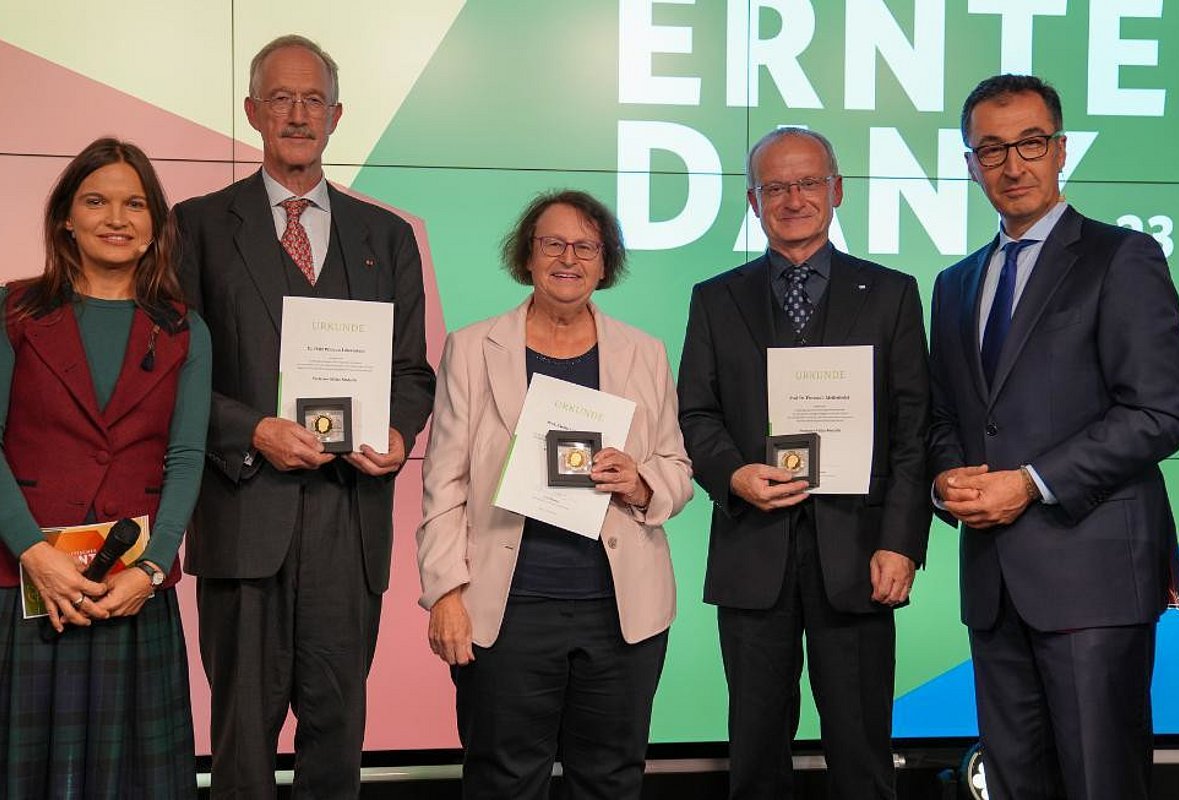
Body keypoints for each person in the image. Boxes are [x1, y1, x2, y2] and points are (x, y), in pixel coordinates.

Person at [174, 34, 435, 799]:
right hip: (243, 520)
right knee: (241, 747)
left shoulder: (387, 236)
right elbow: (177, 378)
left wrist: (397, 433)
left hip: (349, 526)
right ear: (253, 111)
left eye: (312, 99)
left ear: (336, 115)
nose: (297, 114)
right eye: (281, 99)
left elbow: (412, 373)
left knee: (336, 740)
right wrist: (252, 430)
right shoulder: (196, 226)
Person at [929, 74, 1179, 800]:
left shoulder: (1122, 257)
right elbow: (946, 417)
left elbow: (1159, 412)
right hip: (993, 587)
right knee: (1015, 785)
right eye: (991, 149)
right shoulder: (955, 284)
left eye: (1030, 143)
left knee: (1101, 782)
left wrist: (1031, 483)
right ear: (971, 164)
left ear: (1061, 149)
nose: (1012, 165)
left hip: (1094, 581)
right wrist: (946, 479)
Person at [677, 128, 932, 799]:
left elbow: (913, 430)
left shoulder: (891, 293)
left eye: (809, 183)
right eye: (776, 187)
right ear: (753, 201)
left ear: (837, 190)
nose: (793, 199)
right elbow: (695, 413)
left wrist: (902, 542)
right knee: (755, 757)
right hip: (751, 553)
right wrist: (732, 475)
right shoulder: (715, 298)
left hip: (860, 555)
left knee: (863, 754)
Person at [417, 189, 692, 799]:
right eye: (553, 244)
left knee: (610, 782)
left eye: (586, 247)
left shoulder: (644, 352)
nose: (569, 258)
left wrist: (641, 480)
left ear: (605, 261)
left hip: (620, 612)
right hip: (507, 609)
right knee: (504, 782)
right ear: (528, 256)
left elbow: (676, 466)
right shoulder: (473, 347)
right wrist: (445, 592)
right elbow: (444, 484)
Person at [0, 137, 211, 798]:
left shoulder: (183, 329)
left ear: (154, 224)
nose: (116, 218)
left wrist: (153, 569)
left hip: (132, 588)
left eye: (135, 204)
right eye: (96, 201)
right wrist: (34, 553)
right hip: (29, 583)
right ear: (66, 216)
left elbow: (186, 458)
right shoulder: (14, 311)